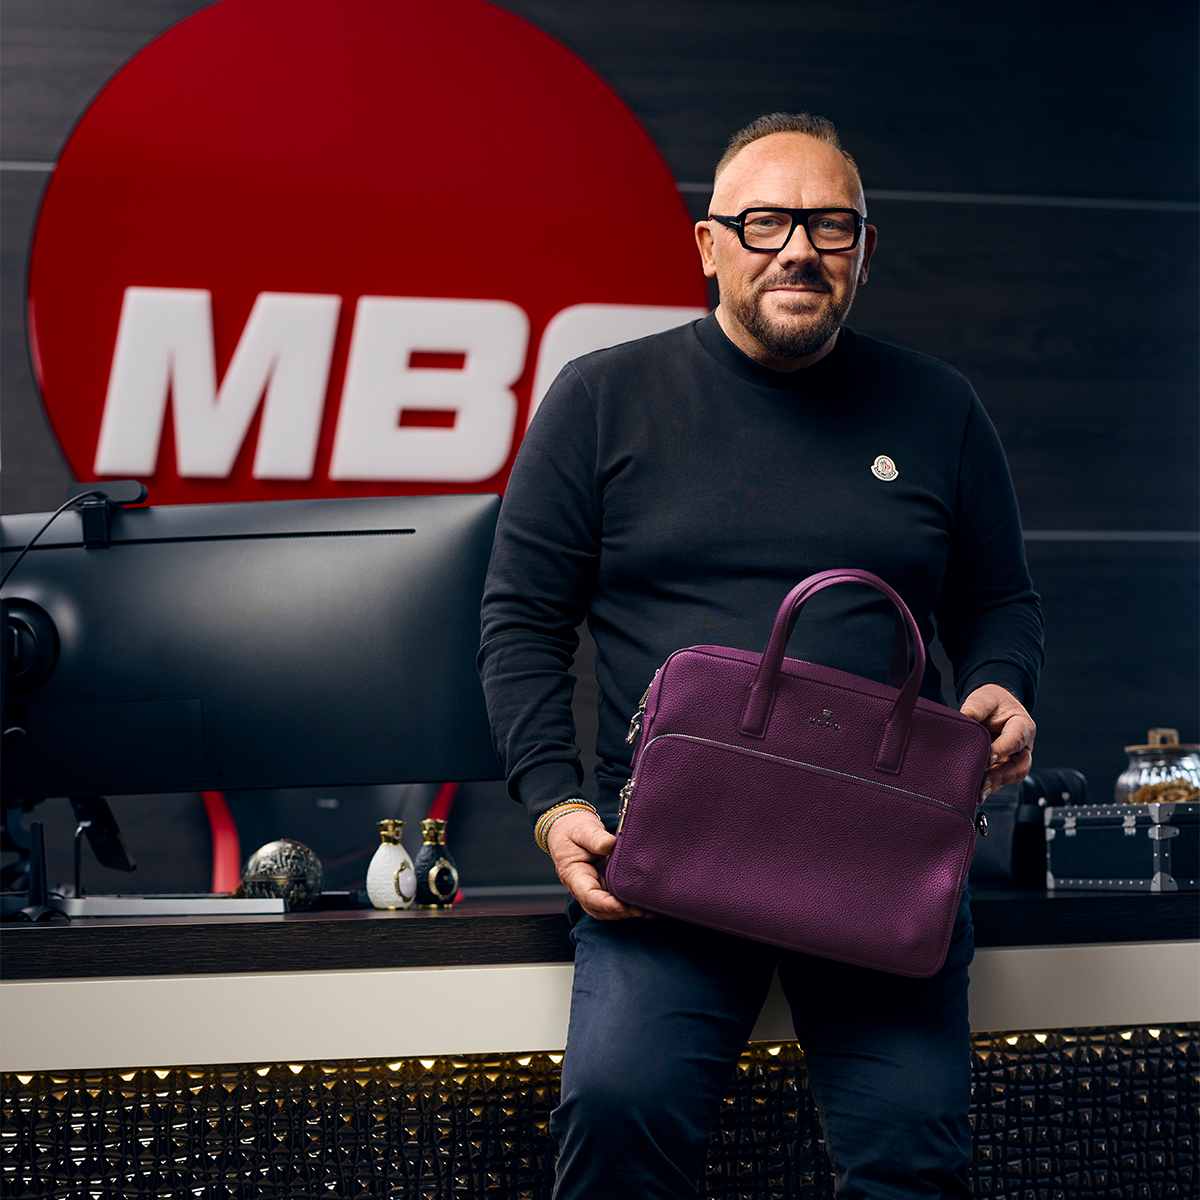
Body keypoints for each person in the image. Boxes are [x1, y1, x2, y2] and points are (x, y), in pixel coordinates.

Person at [479, 112, 1043, 1199]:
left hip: (883, 857)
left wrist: (999, 684)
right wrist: (554, 805)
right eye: (765, 222)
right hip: (666, 859)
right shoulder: (600, 398)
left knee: (911, 1155)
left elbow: (999, 601)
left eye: (830, 226)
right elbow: (520, 621)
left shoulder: (940, 408)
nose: (798, 249)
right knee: (619, 1113)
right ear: (709, 244)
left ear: (864, 250)